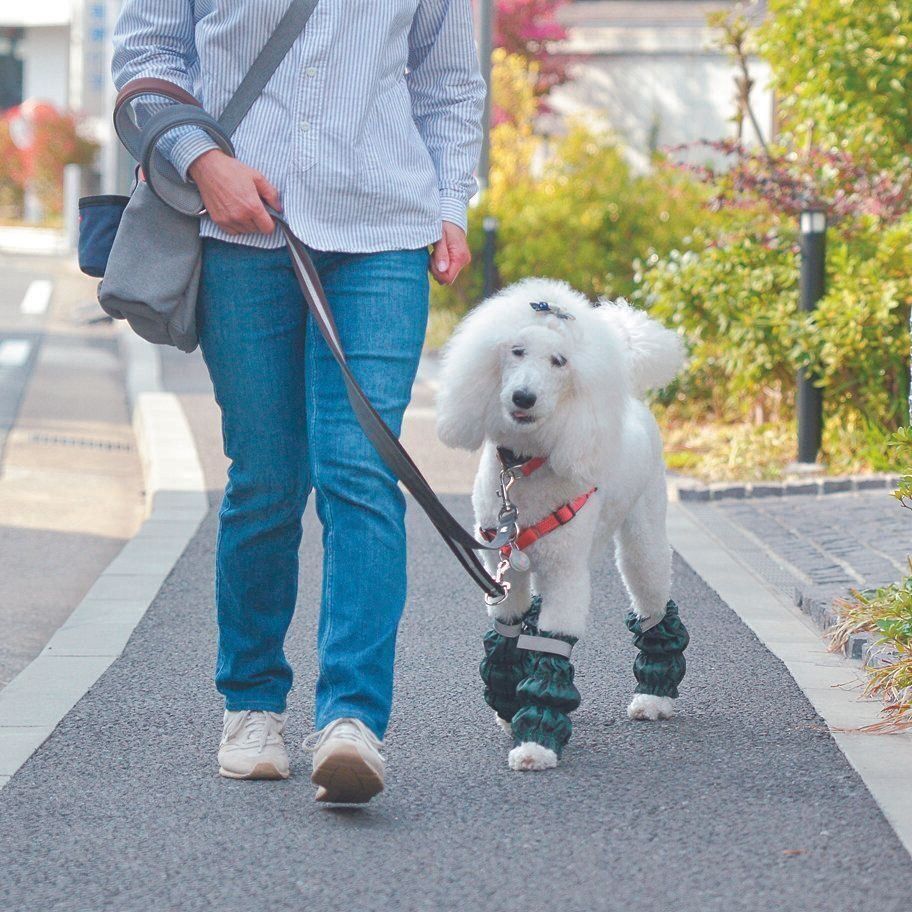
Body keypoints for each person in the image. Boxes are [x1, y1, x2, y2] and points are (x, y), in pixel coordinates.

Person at [112, 0, 485, 803]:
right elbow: (147, 56)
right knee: (269, 478)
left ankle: (352, 718)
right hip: (239, 227)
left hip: (382, 226)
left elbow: (451, 83)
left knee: (360, 469)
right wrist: (201, 157)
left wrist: (451, 201)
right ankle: (250, 705)